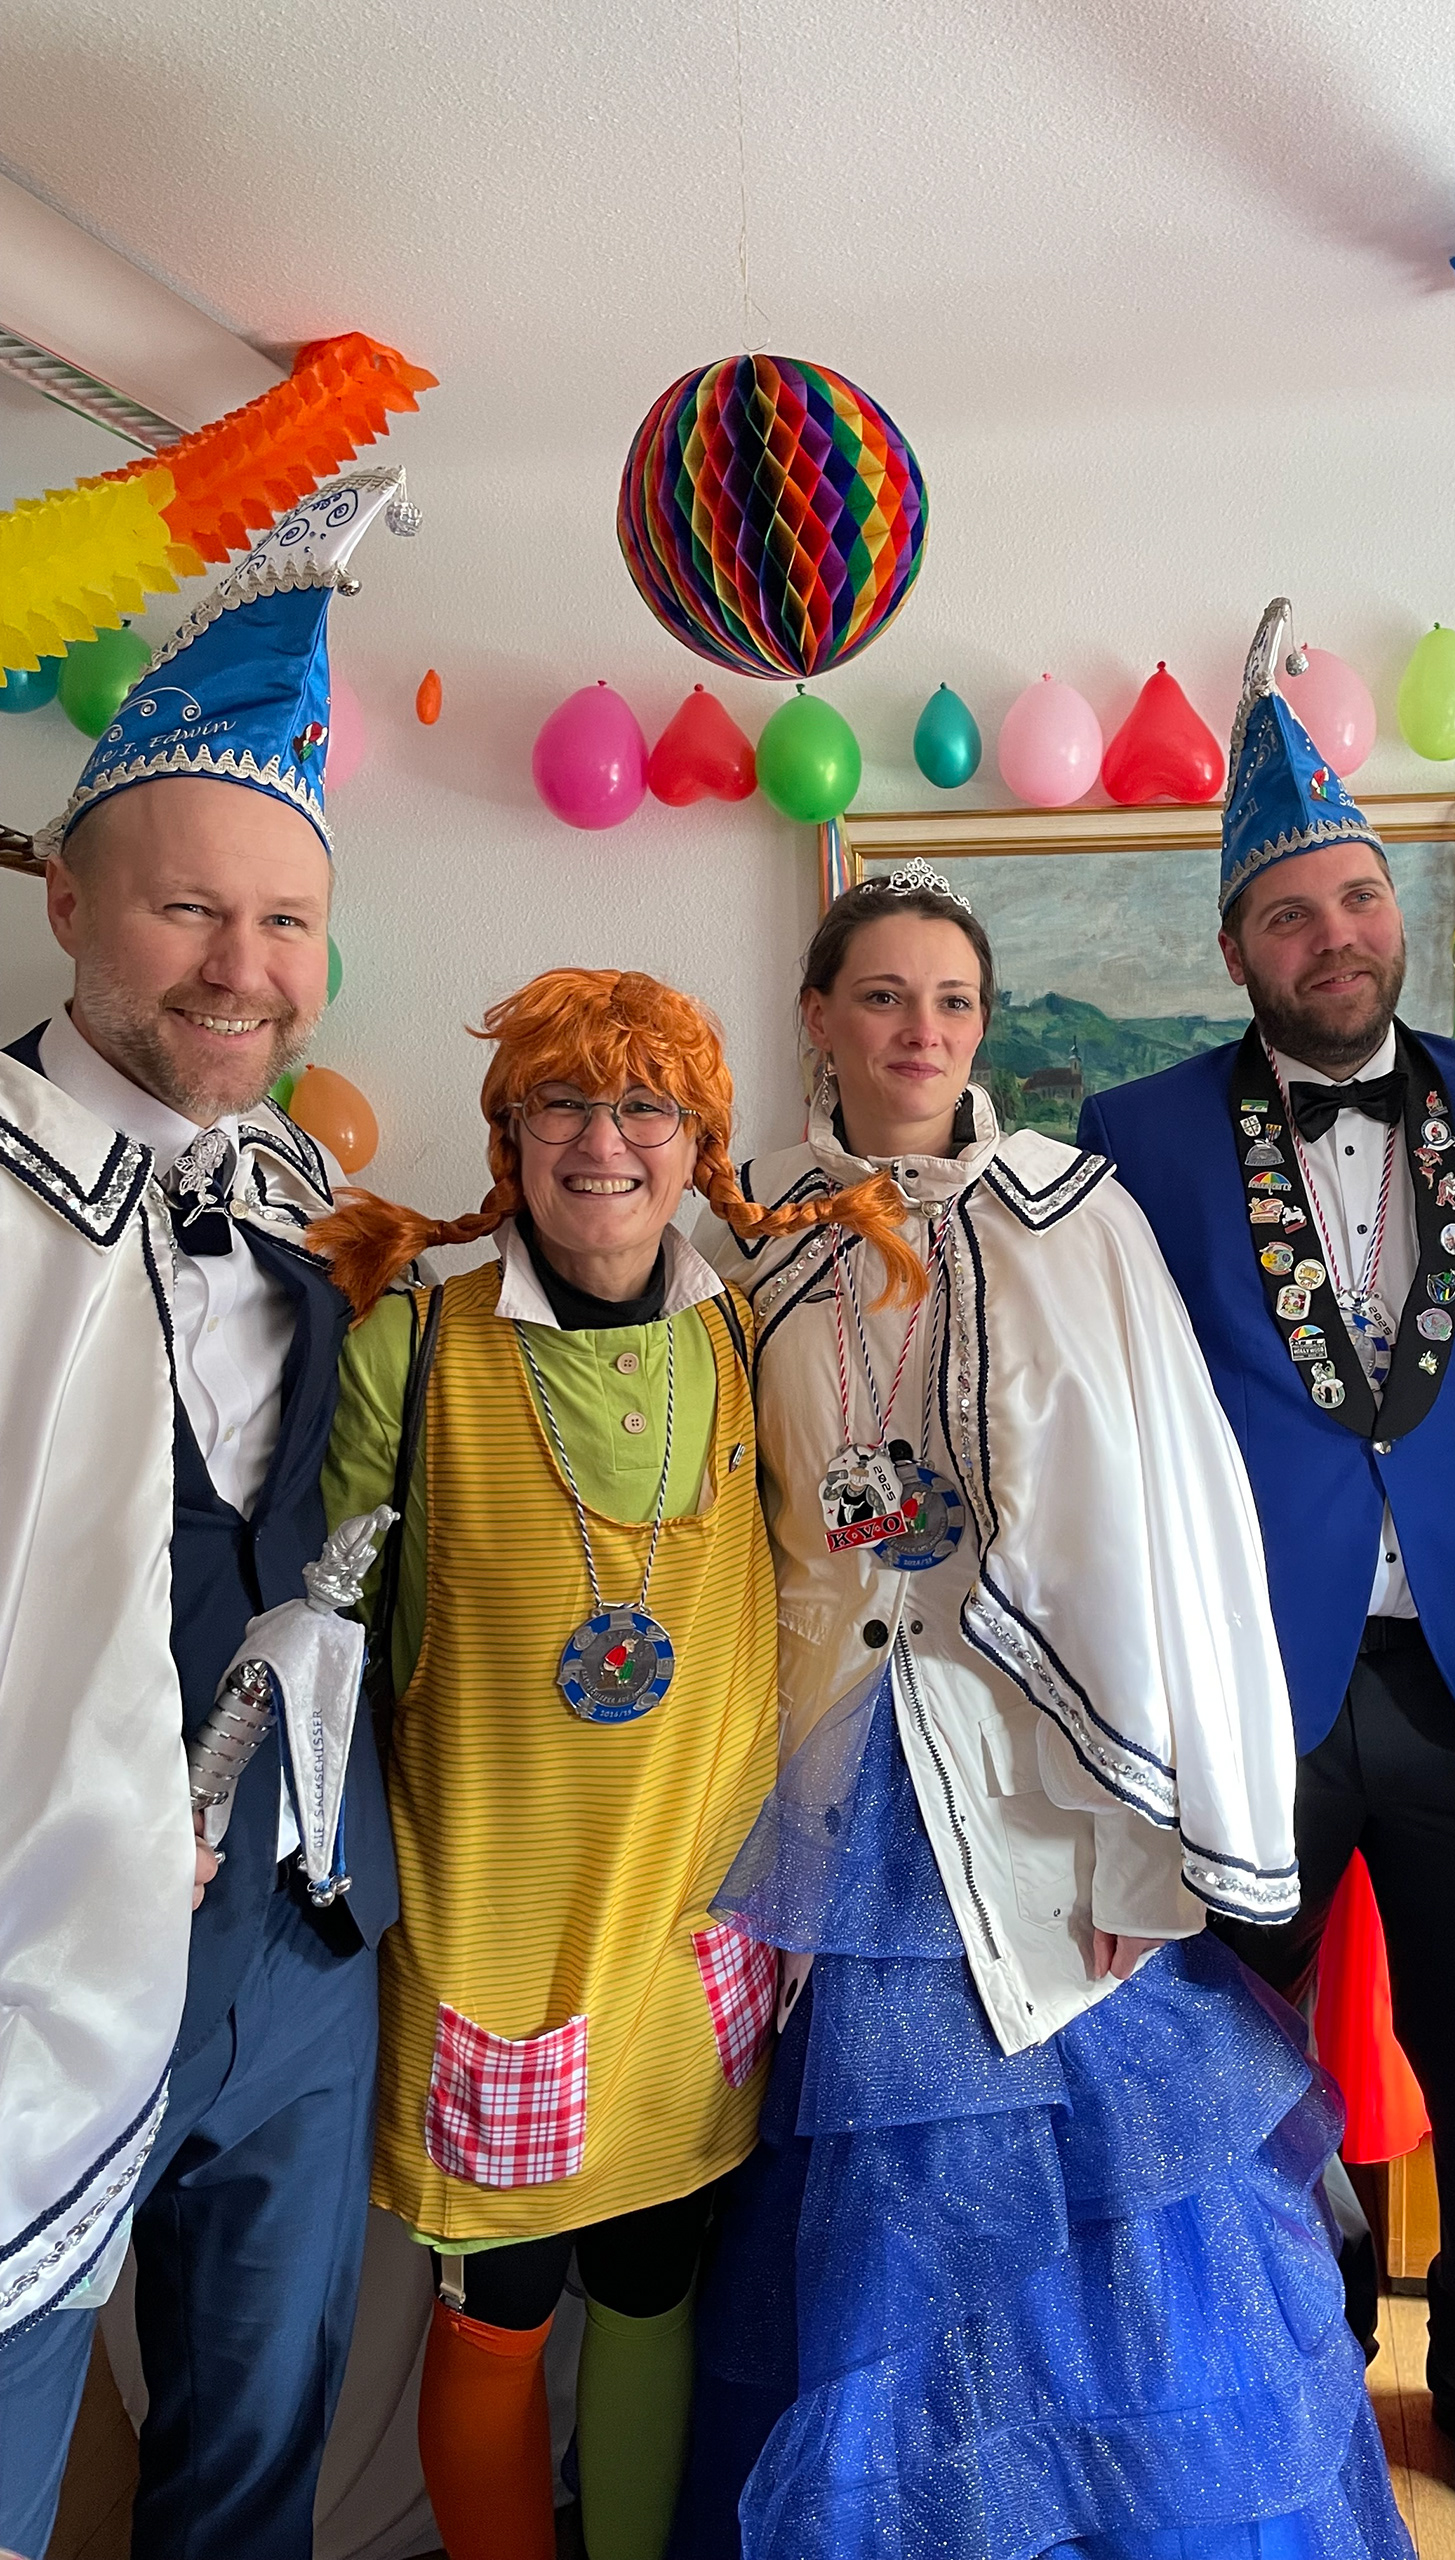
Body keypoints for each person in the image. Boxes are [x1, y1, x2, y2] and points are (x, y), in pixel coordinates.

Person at [671, 861, 1415, 2560]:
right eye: (882, 996)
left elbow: (1164, 1523)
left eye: (952, 1001)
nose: (920, 1030)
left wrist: (1152, 1845)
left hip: (1051, 1787)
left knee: (1107, 2210)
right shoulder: (749, 1239)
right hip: (842, 1787)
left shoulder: (1075, 1216)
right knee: (884, 2203)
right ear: (818, 1017)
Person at [1080, 602, 1455, 2560]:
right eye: (1289, 915)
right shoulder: (1135, 1137)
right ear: (1236, 947)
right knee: (1237, 2059)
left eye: (1355, 898)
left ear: (1395, 911)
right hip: (1250, 1686)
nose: (1333, 936)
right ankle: (1296, 2372)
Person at [312, 966, 913, 2560]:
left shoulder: (744, 1334)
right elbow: (319, 1649)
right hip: (492, 1950)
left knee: (654, 2291)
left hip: (689, 1943)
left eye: (646, 1106)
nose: (603, 1141)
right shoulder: (410, 1349)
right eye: (563, 1104)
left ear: (697, 1142)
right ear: (508, 1135)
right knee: (495, 2315)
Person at [0, 473, 414, 2560]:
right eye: (188, 912)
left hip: (305, 1940)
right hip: (28, 1955)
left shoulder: (318, 1213)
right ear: (69, 906)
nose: (245, 970)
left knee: (253, 2470)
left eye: (286, 923)